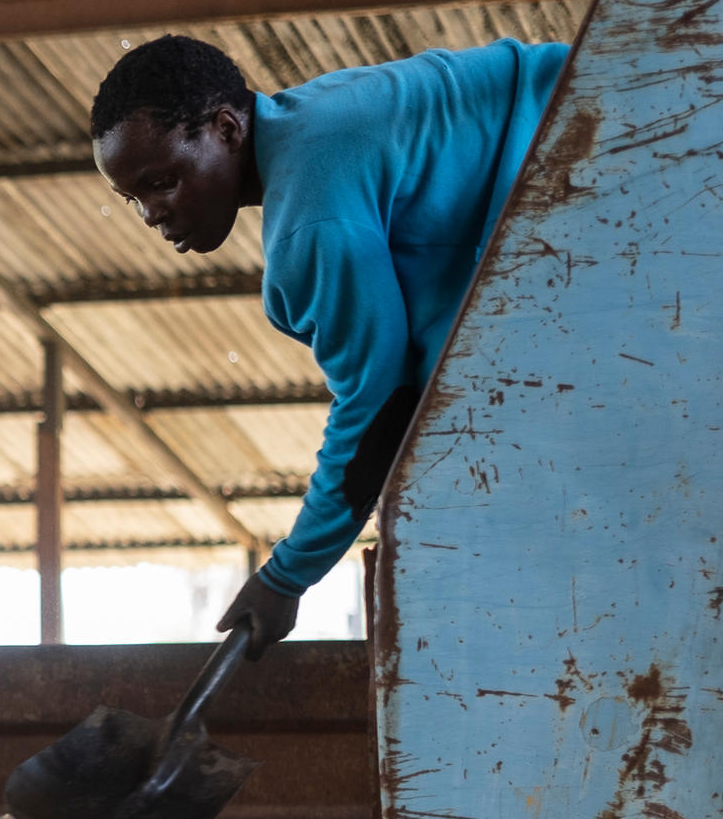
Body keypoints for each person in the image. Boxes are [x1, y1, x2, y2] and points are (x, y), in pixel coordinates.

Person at [88, 34, 567, 652]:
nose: (152, 214)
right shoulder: (308, 124)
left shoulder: (310, 218)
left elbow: (380, 404)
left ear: (227, 129)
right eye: (134, 199)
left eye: (163, 181)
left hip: (603, 139)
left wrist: (288, 575)